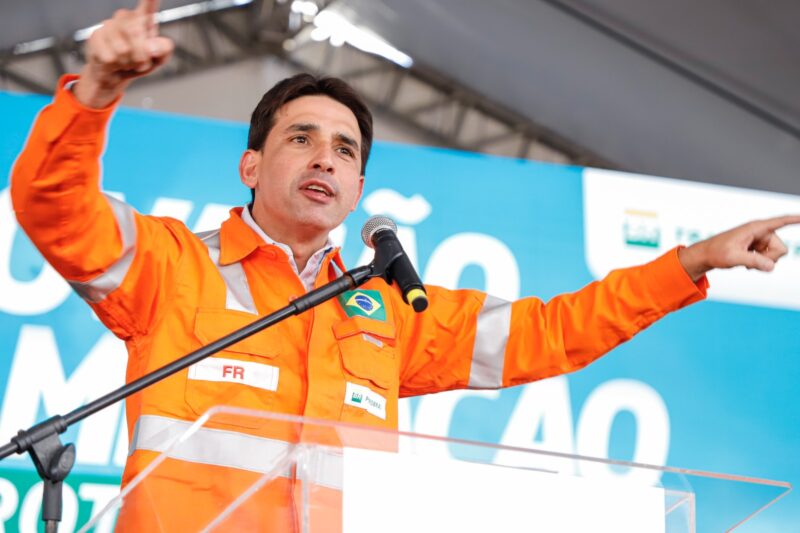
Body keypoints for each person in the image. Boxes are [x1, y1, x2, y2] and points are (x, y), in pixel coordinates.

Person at [10, 1, 800, 530]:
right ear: (250, 165)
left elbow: (550, 332)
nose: (325, 158)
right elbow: (52, 205)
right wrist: (96, 91)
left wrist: (690, 260)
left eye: (344, 149)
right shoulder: (172, 266)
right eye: (300, 138)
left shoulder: (387, 309)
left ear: (358, 189)